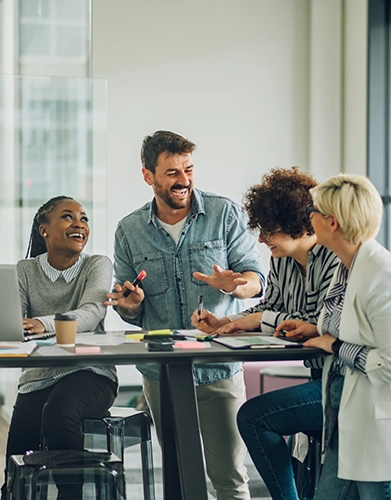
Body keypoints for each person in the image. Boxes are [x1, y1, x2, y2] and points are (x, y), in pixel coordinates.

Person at [104, 130, 265, 500]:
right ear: (148, 176)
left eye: (189, 169)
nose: (184, 180)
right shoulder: (129, 231)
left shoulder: (224, 214)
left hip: (219, 368)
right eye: (173, 172)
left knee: (229, 479)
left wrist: (234, 285)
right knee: (178, 477)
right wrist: (132, 306)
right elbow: (132, 307)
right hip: (162, 374)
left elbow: (256, 280)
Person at [281, 174, 391, 500]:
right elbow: (355, 325)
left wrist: (335, 345)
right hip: (349, 425)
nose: (308, 216)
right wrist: (318, 331)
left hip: (384, 434)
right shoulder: (347, 266)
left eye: (313, 210)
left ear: (332, 222)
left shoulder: (382, 277)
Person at [191, 167, 343, 499]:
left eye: (269, 230)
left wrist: (262, 318)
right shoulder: (283, 258)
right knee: (259, 417)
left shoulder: (336, 256)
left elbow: (320, 320)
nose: (261, 240)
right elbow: (270, 309)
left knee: (255, 417)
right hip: (321, 377)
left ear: (298, 224)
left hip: (345, 383)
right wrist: (224, 324)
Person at [2, 196, 117, 500]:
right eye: (68, 217)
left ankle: (71, 495)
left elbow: (92, 313)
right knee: (19, 453)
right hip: (39, 376)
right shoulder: (25, 270)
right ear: (44, 230)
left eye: (84, 218)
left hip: (91, 372)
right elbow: (16, 322)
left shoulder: (97, 264)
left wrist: (43, 323)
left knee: (58, 411)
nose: (80, 223)